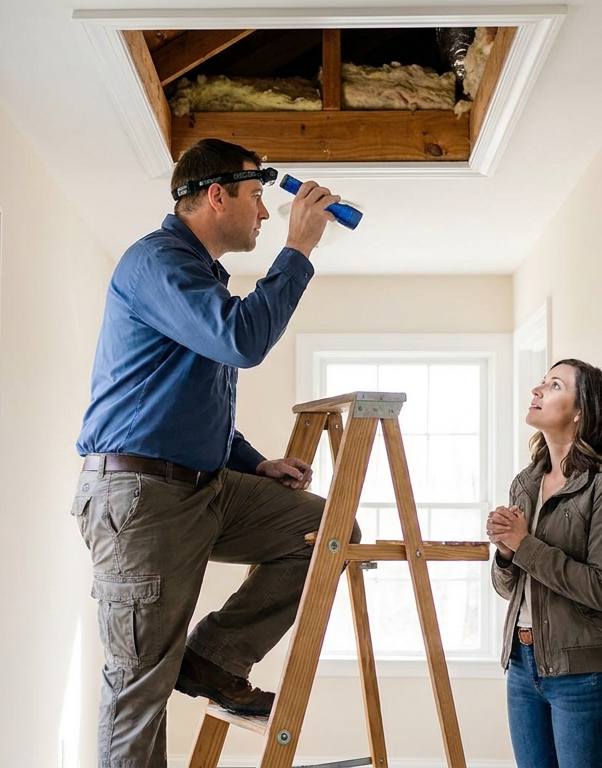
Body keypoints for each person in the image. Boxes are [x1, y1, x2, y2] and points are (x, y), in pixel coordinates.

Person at [72, 138, 349, 768]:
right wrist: (298, 249)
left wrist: (253, 463)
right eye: (257, 197)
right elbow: (242, 340)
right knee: (139, 686)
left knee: (325, 532)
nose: (264, 213)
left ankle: (211, 659)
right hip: (142, 499)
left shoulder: (198, 277)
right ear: (215, 195)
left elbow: (187, 404)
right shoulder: (157, 263)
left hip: (202, 486)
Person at [486, 359, 602, 768]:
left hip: (585, 674)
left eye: (554, 385)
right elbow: (508, 589)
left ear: (581, 411)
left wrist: (524, 544)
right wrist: (506, 552)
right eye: (542, 382)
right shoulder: (526, 482)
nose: (537, 391)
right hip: (523, 666)